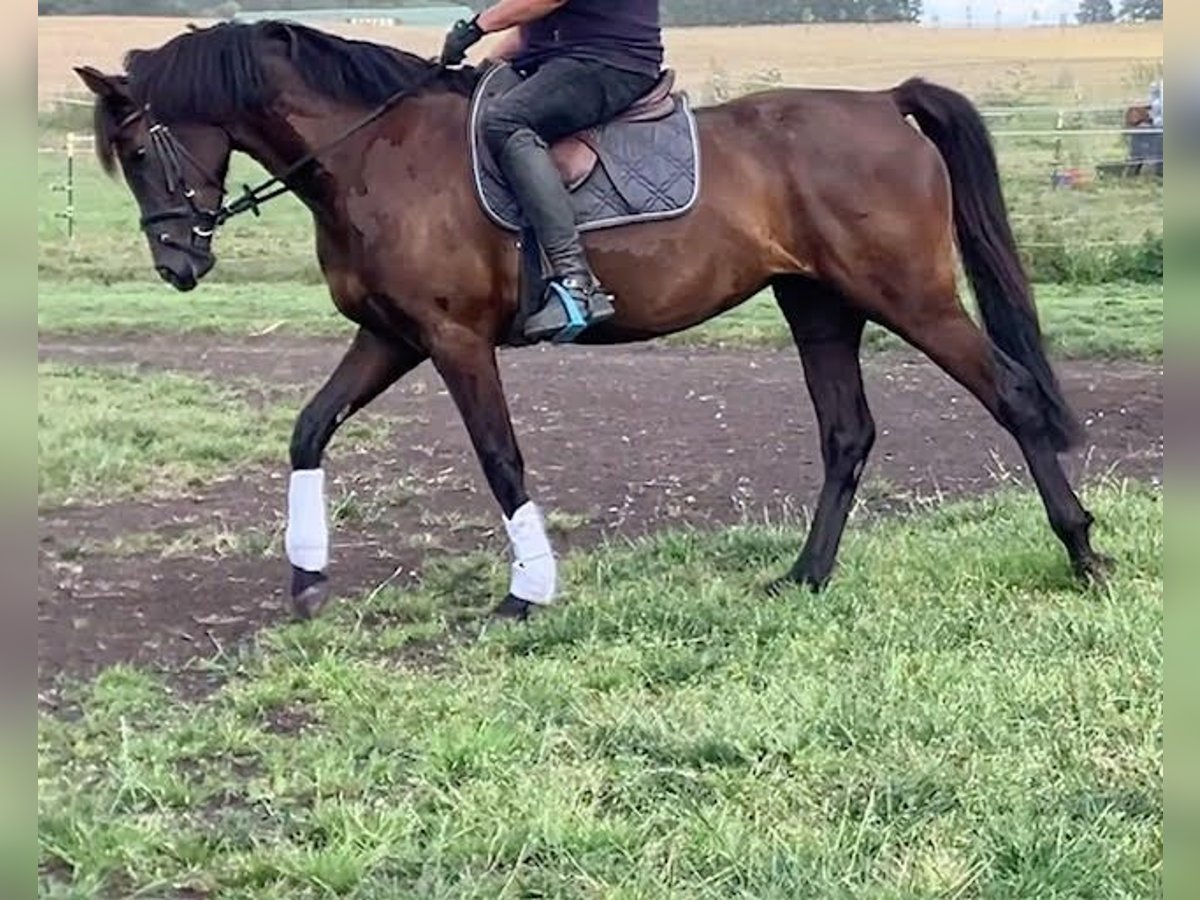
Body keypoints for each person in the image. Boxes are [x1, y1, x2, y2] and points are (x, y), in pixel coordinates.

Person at [440, 0, 663, 341]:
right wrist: (483, 67)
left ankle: (576, 281)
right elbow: (531, 29)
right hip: (569, 60)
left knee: (504, 120)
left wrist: (475, 28)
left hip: (608, 61)